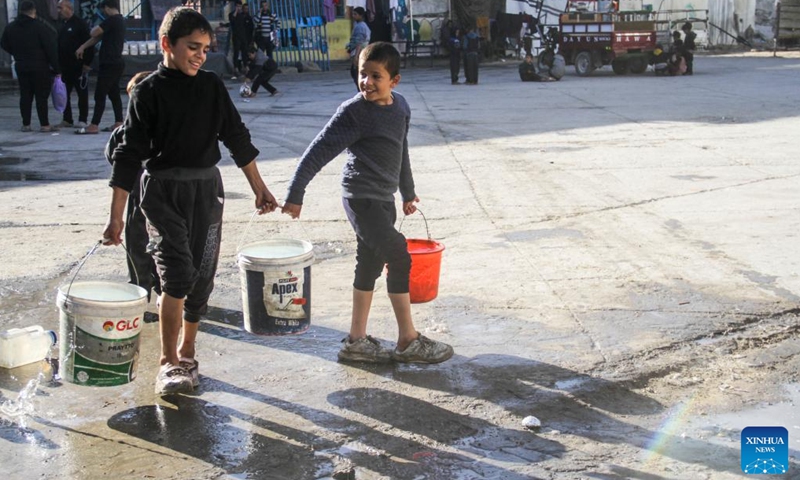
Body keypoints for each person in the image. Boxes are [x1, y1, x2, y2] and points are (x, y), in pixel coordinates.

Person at [102, 7, 280, 395]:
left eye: (205, 48)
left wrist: (259, 188)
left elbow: (236, 137)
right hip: (162, 192)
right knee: (176, 275)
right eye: (192, 47)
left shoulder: (211, 86)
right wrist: (116, 218)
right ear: (167, 45)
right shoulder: (148, 91)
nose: (200, 55)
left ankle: (187, 352)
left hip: (207, 191)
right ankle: (167, 363)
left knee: (201, 277)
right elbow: (128, 156)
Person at [281, 42, 454, 365]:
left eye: (376, 76)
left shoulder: (400, 108)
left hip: (384, 200)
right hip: (360, 200)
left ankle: (356, 341)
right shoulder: (354, 112)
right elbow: (318, 150)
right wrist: (295, 194)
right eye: (362, 74)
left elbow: (401, 151)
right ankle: (407, 340)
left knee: (370, 265)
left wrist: (408, 192)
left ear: (395, 81)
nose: (367, 83)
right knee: (399, 257)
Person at [104, 71, 161, 314]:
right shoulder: (166, 128)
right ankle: (161, 288)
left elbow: (113, 161)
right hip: (157, 198)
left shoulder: (124, 133)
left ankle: (142, 288)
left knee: (140, 245)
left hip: (141, 199)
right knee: (158, 246)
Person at [1, 0, 61, 132]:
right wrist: (57, 68)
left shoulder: (11, 27)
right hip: (40, 66)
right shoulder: (40, 27)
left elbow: (4, 43)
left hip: (21, 65)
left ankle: (26, 124)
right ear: (34, 11)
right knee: (41, 96)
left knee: (25, 95)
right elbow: (50, 48)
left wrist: (16, 53)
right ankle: (44, 124)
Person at [75, 0, 125, 134]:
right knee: (113, 93)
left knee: (100, 94)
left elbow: (94, 33)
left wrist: (93, 28)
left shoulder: (112, 20)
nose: (103, 13)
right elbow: (97, 38)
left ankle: (94, 124)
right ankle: (119, 121)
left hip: (110, 63)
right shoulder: (118, 21)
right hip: (115, 62)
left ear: (108, 8)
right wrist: (83, 47)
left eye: (103, 10)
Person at [56, 0, 93, 128]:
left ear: (68, 8)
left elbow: (89, 44)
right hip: (65, 66)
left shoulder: (80, 24)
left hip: (78, 65)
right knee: (64, 94)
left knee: (82, 94)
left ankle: (83, 119)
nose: (58, 11)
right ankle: (67, 119)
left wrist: (87, 63)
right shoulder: (61, 25)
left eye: (60, 8)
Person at [345, 6, 370, 90]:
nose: (353, 16)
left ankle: (362, 91)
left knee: (356, 72)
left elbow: (359, 42)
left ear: (361, 15)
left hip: (359, 51)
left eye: (355, 14)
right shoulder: (359, 25)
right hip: (359, 50)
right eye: (353, 14)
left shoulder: (360, 27)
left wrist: (356, 56)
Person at [229, 1, 254, 75]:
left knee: (244, 52)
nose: (239, 8)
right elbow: (232, 20)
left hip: (243, 37)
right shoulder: (232, 14)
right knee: (236, 52)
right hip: (236, 37)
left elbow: (248, 27)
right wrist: (236, 11)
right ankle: (236, 67)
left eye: (240, 7)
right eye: (237, 6)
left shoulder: (243, 16)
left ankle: (246, 66)